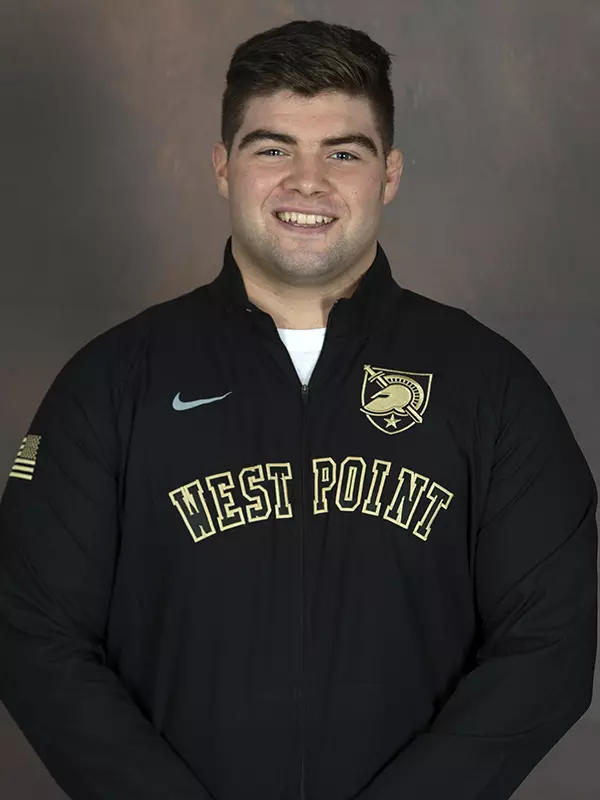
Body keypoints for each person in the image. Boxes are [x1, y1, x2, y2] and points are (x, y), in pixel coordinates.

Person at [0, 17, 597, 800]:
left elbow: (550, 645)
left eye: (343, 152)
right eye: (272, 147)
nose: (306, 182)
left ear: (389, 174)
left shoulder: (490, 386)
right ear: (223, 166)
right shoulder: (113, 382)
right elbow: (29, 627)